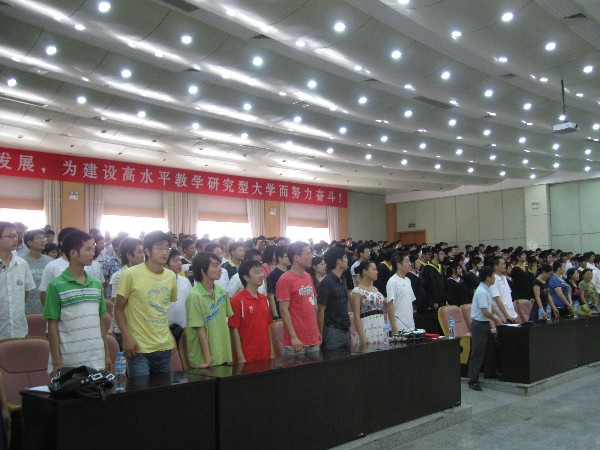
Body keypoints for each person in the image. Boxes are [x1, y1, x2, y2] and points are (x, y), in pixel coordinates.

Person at [43, 230, 111, 376]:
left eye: (93, 248)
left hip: (96, 359)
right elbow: (52, 326)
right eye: (88, 249)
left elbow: (100, 322)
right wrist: (57, 363)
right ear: (73, 253)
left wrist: (106, 354)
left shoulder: (96, 284)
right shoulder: (56, 285)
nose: (92, 253)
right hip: (69, 361)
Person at [115, 231, 178, 377]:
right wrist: (127, 337)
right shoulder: (130, 274)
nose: (164, 252)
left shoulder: (170, 276)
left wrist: (170, 337)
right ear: (147, 251)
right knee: (142, 389)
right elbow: (118, 309)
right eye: (159, 247)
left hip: (164, 346)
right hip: (139, 348)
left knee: (164, 388)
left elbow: (162, 309)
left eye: (167, 248)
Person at [186, 252, 233, 368]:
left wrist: (229, 354)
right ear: (202, 271)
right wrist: (208, 360)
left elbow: (225, 323)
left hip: (222, 355)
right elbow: (199, 329)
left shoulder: (221, 291)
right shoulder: (194, 296)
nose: (220, 268)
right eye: (215, 265)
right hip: (203, 360)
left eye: (219, 265)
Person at [276, 241, 320, 357]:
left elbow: (313, 304)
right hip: (296, 342)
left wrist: (316, 331)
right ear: (296, 258)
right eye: (308, 254)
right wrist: (293, 336)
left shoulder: (308, 276)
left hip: (313, 338)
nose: (311, 257)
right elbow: (283, 310)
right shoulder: (285, 279)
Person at [229, 259, 274, 363]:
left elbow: (268, 326)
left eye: (261, 271)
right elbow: (234, 330)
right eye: (256, 272)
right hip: (247, 355)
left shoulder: (264, 299)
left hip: (265, 354)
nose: (261, 275)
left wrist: (272, 351)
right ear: (246, 277)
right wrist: (240, 357)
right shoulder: (237, 300)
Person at [467, 266, 503, 391]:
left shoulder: (487, 289)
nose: (494, 278)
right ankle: (472, 380)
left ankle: (490, 372)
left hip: (485, 324)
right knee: (477, 353)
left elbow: (491, 306)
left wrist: (501, 315)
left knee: (491, 348)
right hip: (479, 325)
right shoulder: (481, 291)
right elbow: (485, 311)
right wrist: (496, 319)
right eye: (493, 275)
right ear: (488, 277)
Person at [0, 221, 35, 339]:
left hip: (19, 329)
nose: (16, 239)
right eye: (11, 236)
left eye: (16, 236)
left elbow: (25, 291)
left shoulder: (22, 264)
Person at [109, 237, 144, 346]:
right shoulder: (119, 276)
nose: (143, 255)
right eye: (139, 252)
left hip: (141, 329)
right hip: (125, 332)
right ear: (129, 255)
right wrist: (125, 333)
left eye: (143, 251)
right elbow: (117, 307)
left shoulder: (144, 275)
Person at [317, 246, 351, 351]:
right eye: (344, 257)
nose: (347, 260)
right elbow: (320, 310)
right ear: (338, 261)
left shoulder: (343, 279)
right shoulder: (326, 283)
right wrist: (320, 333)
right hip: (332, 331)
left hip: (346, 328)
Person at [351, 260, 385, 347]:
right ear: (365, 271)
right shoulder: (357, 291)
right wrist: (362, 337)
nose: (376, 272)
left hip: (380, 326)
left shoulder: (375, 289)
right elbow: (356, 316)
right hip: (367, 326)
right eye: (373, 269)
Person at [165, 249, 192, 345]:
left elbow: (190, 303)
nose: (179, 263)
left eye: (179, 260)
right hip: (166, 327)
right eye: (175, 261)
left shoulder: (185, 281)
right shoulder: (160, 282)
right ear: (166, 264)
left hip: (184, 326)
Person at [22, 229, 52, 313]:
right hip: (27, 307)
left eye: (44, 238)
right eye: (39, 238)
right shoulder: (22, 262)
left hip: (46, 305)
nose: (43, 240)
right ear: (29, 243)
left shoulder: (50, 261)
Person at [386, 252, 414, 335]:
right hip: (399, 328)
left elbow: (410, 303)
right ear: (398, 265)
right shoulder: (392, 281)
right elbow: (390, 306)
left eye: (409, 261)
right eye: (407, 261)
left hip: (410, 326)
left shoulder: (408, 280)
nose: (409, 264)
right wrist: (394, 328)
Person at [490, 256, 518, 323]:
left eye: (504, 263)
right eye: (502, 264)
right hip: (502, 317)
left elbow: (508, 297)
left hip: (511, 314)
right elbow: (497, 299)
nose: (505, 266)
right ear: (495, 267)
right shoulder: (493, 280)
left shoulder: (504, 278)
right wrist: (507, 315)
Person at [266, 244, 289, 319]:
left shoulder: (291, 272)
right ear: (279, 257)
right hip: (280, 311)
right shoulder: (273, 275)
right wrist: (276, 316)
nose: (290, 258)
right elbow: (271, 297)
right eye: (287, 256)